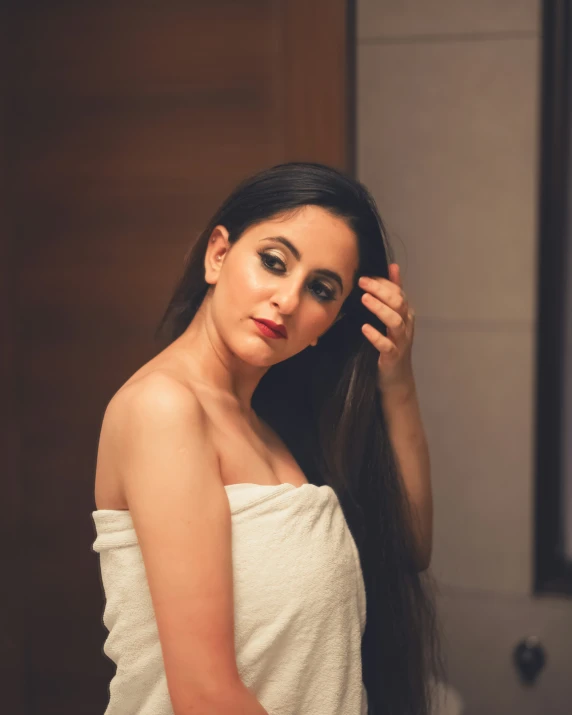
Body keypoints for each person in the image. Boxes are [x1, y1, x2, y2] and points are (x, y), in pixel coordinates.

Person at [92, 162, 445, 715]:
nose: (287, 299)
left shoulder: (273, 430)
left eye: (321, 289)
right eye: (273, 262)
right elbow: (205, 696)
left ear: (328, 324)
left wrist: (396, 379)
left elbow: (412, 545)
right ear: (217, 255)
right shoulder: (163, 408)